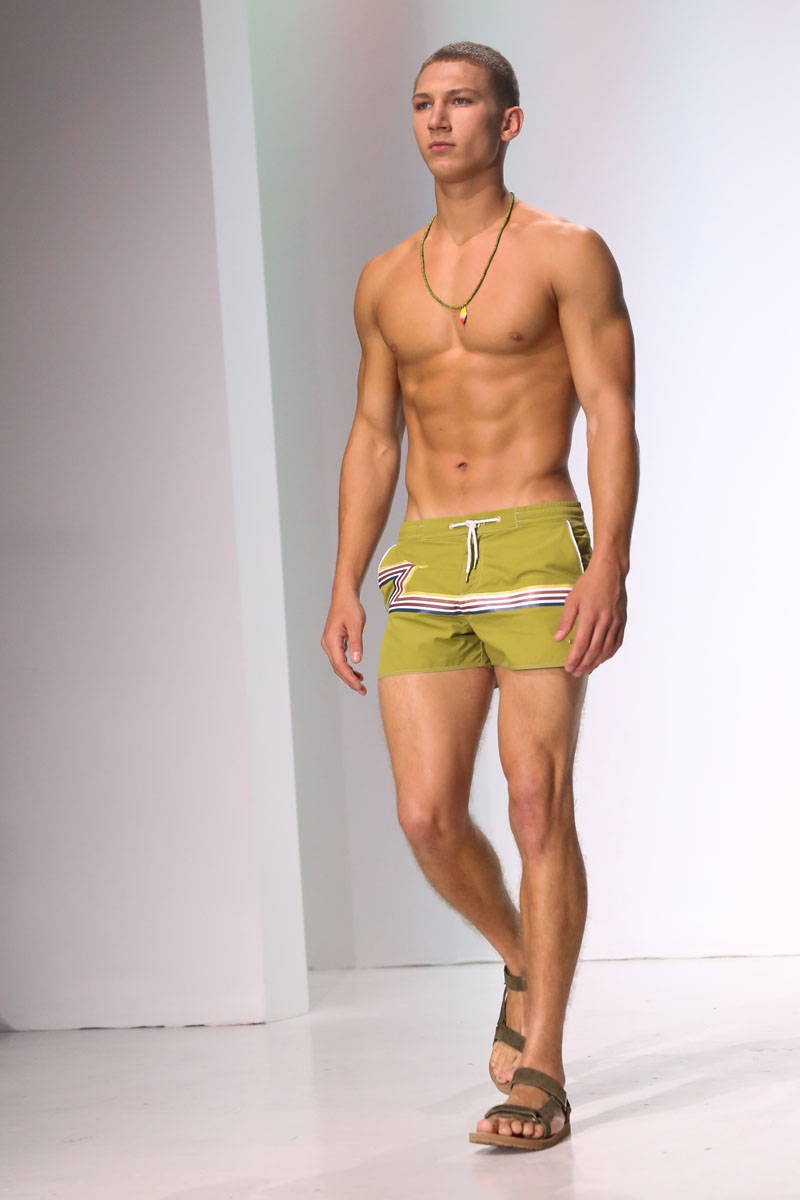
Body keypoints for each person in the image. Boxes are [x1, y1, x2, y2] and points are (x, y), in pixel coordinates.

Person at [320, 40, 638, 1150]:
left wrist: (610, 561)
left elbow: (611, 410)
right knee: (426, 814)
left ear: (507, 123)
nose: (438, 120)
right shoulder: (382, 278)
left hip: (536, 546)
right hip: (424, 556)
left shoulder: (565, 252)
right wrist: (345, 579)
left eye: (460, 102)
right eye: (423, 103)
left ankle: (541, 1069)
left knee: (536, 800)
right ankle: (520, 955)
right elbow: (374, 435)